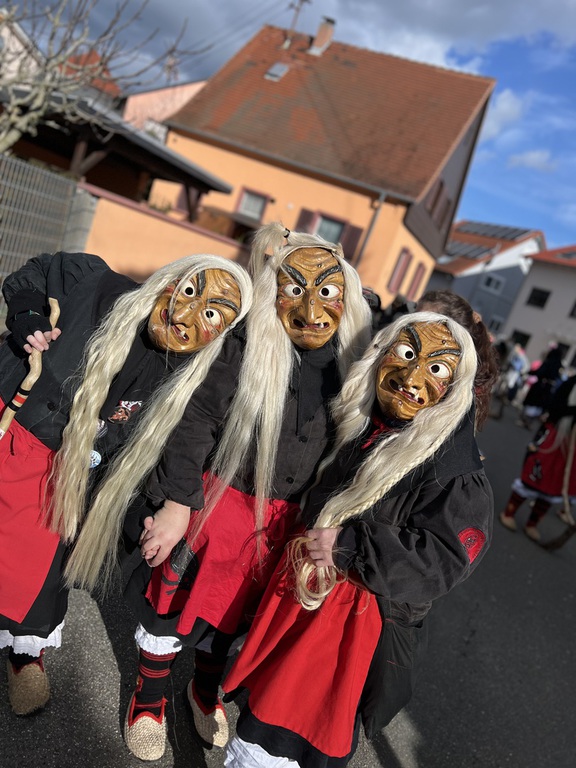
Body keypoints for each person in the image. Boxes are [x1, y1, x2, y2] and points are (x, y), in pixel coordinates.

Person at [64, 222, 373, 760]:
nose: (310, 308)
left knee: (234, 618)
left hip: (285, 523)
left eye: (326, 290)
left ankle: (203, 690)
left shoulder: (355, 365)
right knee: (174, 607)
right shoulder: (245, 345)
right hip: (220, 505)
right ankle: (149, 699)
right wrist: (178, 502)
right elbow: (197, 422)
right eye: (294, 288)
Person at [221, 311, 494, 768]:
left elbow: (443, 560)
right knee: (267, 704)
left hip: (349, 623)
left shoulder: (455, 471)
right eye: (405, 354)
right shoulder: (367, 421)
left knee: (288, 731)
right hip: (304, 595)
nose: (412, 377)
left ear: (455, 386)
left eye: (436, 368)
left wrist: (352, 546)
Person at [0, 250, 252, 716]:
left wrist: (161, 509)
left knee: (35, 573)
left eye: (211, 315)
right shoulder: (99, 288)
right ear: (170, 279)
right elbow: (37, 271)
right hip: (11, 430)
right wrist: (27, 314)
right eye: (189, 291)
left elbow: (171, 447)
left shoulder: (185, 378)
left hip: (63, 477)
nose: (185, 314)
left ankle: (24, 654)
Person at [499, 373, 576, 541]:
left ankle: (532, 524)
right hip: (554, 438)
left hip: (571, 449)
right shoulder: (571, 384)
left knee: (554, 486)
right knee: (535, 476)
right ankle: (509, 513)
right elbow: (555, 408)